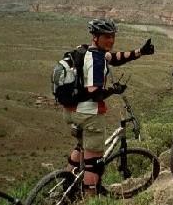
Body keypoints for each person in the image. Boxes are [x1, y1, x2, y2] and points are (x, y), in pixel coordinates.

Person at [63, 18, 155, 194]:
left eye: (112, 36)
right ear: (96, 37)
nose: (111, 40)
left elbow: (114, 58)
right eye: (106, 37)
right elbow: (94, 92)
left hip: (71, 111)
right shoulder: (96, 60)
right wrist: (114, 91)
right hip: (89, 113)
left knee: (82, 147)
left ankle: (67, 184)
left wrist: (140, 52)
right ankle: (90, 197)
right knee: (94, 164)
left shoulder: (86, 51)